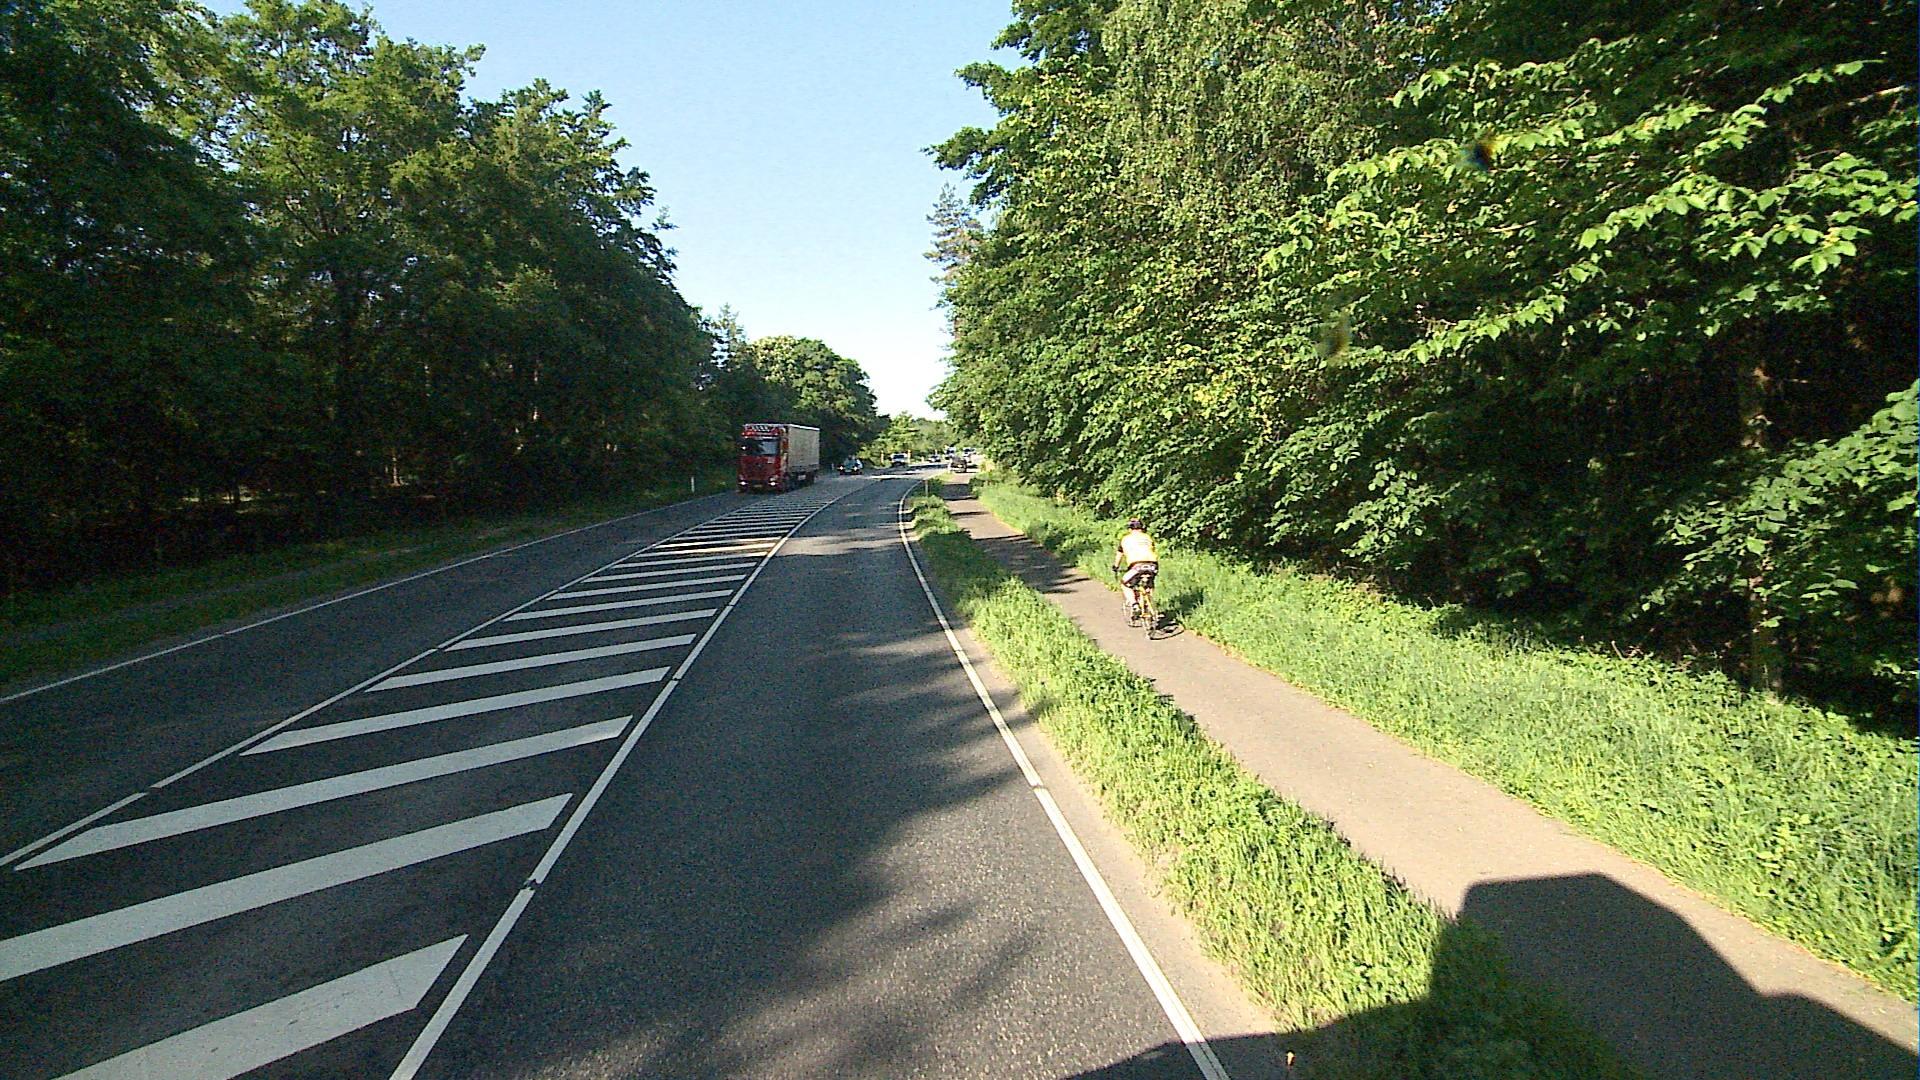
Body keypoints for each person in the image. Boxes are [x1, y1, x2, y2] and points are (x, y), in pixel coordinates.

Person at [1112, 518, 1159, 621]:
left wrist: (1115, 567)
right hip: (1152, 565)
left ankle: (1135, 605)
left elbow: (1119, 555)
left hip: (1136, 565)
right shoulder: (1148, 538)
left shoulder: (1125, 539)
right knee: (1149, 582)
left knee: (1125, 583)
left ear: (1130, 529)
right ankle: (1148, 602)